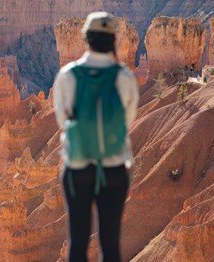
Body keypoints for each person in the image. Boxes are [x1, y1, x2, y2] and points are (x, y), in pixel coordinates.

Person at [53, 12, 139, 262]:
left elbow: (62, 121)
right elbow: (128, 120)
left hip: (78, 166)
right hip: (114, 167)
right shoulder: (124, 77)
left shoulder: (68, 75)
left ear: (85, 39)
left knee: (77, 242)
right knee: (110, 244)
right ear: (113, 40)